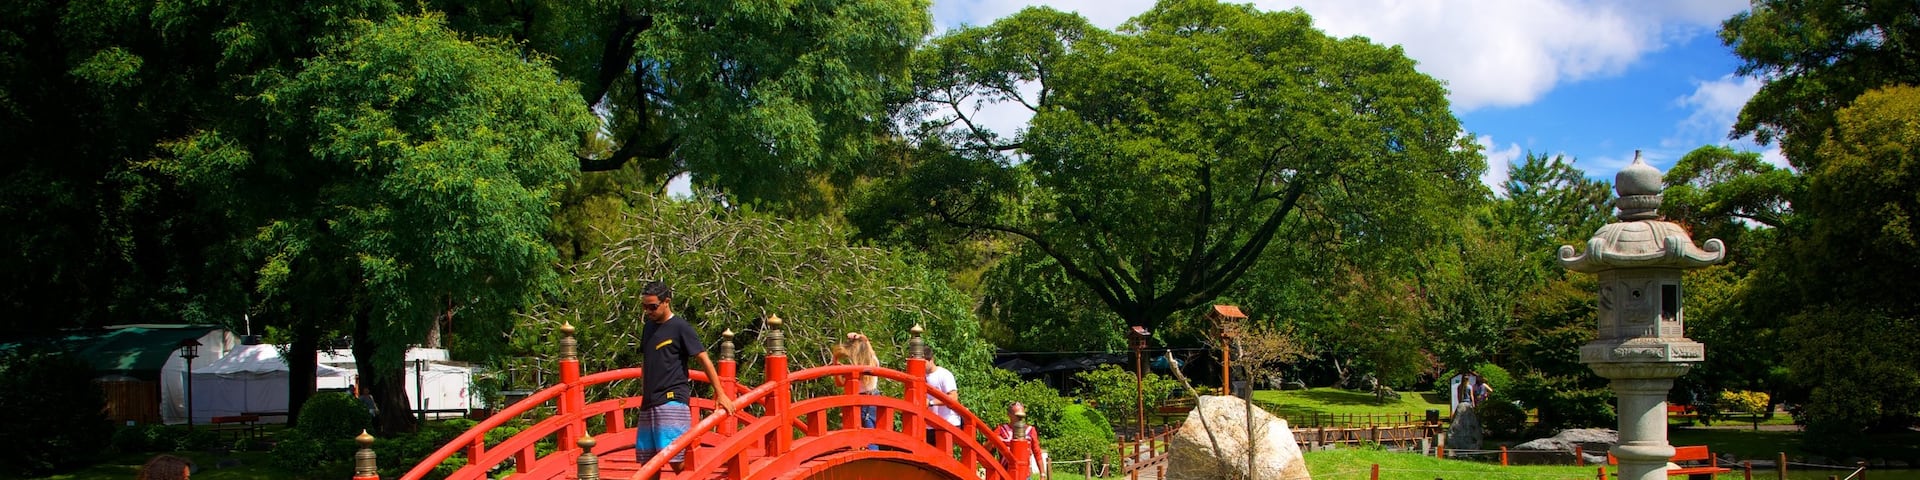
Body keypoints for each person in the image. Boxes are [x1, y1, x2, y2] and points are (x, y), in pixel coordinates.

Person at [635, 280, 735, 472]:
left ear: (666, 302)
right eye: (644, 307)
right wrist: (644, 392)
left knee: (676, 458)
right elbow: (646, 361)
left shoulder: (680, 327)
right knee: (648, 462)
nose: (648, 311)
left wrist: (720, 393)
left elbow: (703, 359)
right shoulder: (648, 327)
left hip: (672, 399)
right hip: (649, 401)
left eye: (652, 306)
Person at [843, 332, 883, 450]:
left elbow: (840, 382)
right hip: (873, 397)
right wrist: (862, 338)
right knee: (871, 433)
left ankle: (869, 454)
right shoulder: (873, 361)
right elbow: (871, 351)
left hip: (860, 399)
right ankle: (873, 454)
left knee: (858, 433)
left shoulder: (852, 367)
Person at [994, 402, 1045, 480]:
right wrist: (996, 440)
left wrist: (1042, 474)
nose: (1020, 418)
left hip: (1025, 475)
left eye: (1022, 415)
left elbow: (1037, 452)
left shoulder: (1030, 430)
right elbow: (988, 448)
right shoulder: (1001, 430)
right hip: (1005, 474)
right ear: (1009, 414)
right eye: (1017, 415)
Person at [924, 348, 961, 445]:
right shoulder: (921, 375)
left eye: (923, 363)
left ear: (931, 360)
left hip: (946, 422)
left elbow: (953, 397)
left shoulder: (944, 375)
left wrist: (931, 403)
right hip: (929, 423)